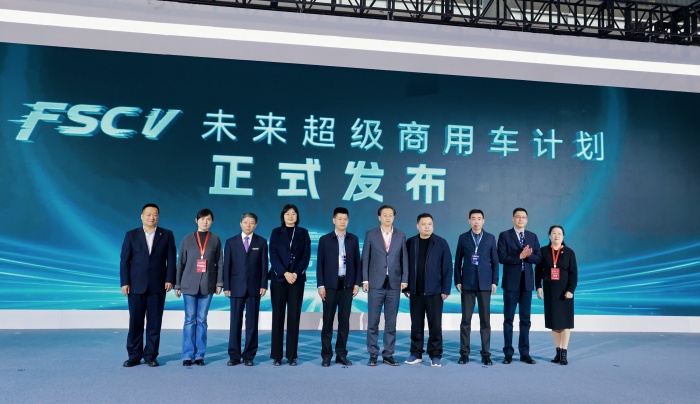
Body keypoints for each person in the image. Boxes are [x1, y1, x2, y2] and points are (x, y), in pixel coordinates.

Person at [120, 203, 176, 367]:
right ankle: (134, 356)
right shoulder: (131, 235)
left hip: (158, 286)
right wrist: (125, 282)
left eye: (155, 214)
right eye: (149, 214)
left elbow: (171, 259)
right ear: (142, 216)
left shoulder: (166, 234)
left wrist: (170, 279)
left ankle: (151, 355)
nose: (152, 217)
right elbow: (125, 261)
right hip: (136, 286)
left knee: (154, 323)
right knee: (135, 323)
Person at [174, 208, 223, 367]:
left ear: (212, 221)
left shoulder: (215, 239)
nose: (205, 222)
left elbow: (220, 263)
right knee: (190, 319)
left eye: (208, 219)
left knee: (202, 320)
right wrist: (177, 284)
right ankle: (187, 355)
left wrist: (219, 283)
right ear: (196, 220)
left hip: (208, 285)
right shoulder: (187, 239)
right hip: (188, 285)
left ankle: (199, 355)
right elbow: (180, 263)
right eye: (202, 219)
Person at [362, 204, 408, 366]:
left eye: (390, 215)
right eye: (385, 215)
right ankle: (373, 354)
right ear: (379, 217)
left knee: (391, 322)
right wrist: (365, 279)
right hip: (375, 283)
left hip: (394, 283)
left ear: (393, 217)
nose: (388, 217)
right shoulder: (371, 234)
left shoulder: (400, 235)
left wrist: (404, 279)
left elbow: (404, 259)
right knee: (373, 322)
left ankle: (388, 354)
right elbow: (365, 258)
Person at [404, 213, 452, 367]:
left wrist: (445, 289)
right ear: (417, 226)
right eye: (423, 224)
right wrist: (406, 286)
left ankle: (435, 355)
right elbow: (405, 266)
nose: (427, 227)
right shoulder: (411, 242)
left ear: (433, 225)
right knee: (416, 325)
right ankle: (416, 353)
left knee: (435, 326)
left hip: (435, 292)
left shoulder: (441, 243)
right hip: (415, 292)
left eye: (430, 224)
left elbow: (447, 267)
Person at [316, 207, 362, 367]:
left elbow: (357, 262)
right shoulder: (325, 239)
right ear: (334, 220)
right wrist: (321, 285)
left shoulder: (353, 239)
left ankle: (341, 354)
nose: (343, 222)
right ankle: (326, 355)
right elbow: (320, 264)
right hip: (330, 285)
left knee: (344, 322)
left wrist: (356, 283)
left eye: (345, 219)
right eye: (340, 219)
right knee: (327, 321)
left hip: (347, 285)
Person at [454, 209, 499, 366]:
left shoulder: (490, 238)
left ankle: (486, 354)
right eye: (473, 218)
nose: (476, 221)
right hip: (467, 283)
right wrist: (458, 280)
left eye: (479, 218)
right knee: (466, 320)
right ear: (469, 221)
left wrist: (494, 281)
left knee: (485, 320)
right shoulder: (463, 238)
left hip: (485, 284)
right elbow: (458, 261)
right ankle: (464, 354)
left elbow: (495, 262)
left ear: (483, 221)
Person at [497, 207, 541, 365]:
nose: (521, 219)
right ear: (513, 218)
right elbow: (501, 257)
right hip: (511, 283)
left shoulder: (532, 236)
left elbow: (538, 259)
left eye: (523, 217)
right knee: (508, 319)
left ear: (527, 220)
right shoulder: (504, 235)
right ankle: (508, 353)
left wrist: (528, 256)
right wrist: (519, 256)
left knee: (525, 320)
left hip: (527, 283)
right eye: (518, 217)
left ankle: (525, 353)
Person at [223, 213, 268, 367]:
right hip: (235, 287)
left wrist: (263, 284)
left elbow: (264, 265)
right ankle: (234, 356)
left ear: (256, 225)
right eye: (246, 222)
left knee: (252, 324)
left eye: (252, 223)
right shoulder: (231, 242)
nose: (248, 225)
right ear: (240, 223)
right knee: (235, 322)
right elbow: (227, 266)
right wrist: (227, 286)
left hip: (255, 288)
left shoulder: (261, 242)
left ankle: (249, 355)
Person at [269, 204, 311, 366]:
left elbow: (306, 255)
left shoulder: (303, 232)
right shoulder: (276, 232)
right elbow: (273, 254)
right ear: (283, 216)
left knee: (294, 317)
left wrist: (296, 273)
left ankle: (292, 355)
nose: (291, 216)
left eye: (293, 213)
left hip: (296, 280)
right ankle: (277, 356)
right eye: (287, 214)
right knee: (278, 317)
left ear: (297, 216)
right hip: (279, 279)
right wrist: (284, 272)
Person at [536, 225, 578, 365]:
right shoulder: (543, 251)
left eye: (559, 233)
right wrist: (538, 286)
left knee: (565, 323)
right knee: (554, 323)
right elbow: (538, 271)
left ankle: (564, 352)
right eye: (554, 233)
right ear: (549, 236)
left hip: (565, 292)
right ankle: (558, 351)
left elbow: (573, 273)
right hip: (550, 291)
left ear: (563, 236)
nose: (556, 236)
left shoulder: (569, 252)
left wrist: (571, 290)